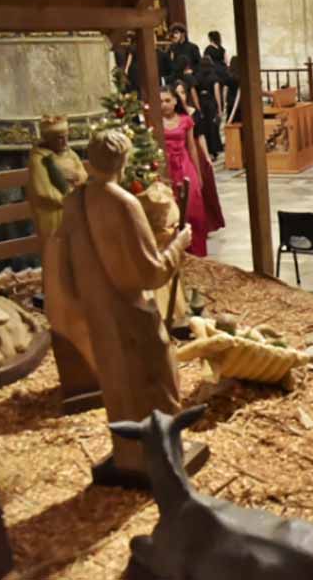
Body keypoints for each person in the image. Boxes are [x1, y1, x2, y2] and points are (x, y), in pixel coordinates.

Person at [44, 129, 191, 478]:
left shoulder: (75, 202)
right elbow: (151, 273)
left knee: (117, 385)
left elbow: (66, 266)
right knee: (157, 381)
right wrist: (179, 243)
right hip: (131, 313)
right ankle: (162, 455)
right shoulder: (124, 204)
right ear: (123, 161)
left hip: (98, 312)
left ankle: (129, 454)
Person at [26, 115, 88, 248]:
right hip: (55, 214)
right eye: (59, 138)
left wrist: (77, 175)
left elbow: (83, 174)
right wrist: (68, 199)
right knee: (59, 249)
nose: (64, 141)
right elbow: (43, 191)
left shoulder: (70, 153)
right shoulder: (39, 159)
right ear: (48, 139)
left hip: (75, 209)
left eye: (66, 136)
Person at [160, 86, 208, 256]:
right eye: (160, 101)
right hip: (166, 167)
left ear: (175, 101)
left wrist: (198, 174)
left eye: (167, 100)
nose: (164, 104)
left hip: (184, 164)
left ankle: (197, 251)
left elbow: (192, 147)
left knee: (193, 208)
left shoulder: (186, 120)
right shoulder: (155, 121)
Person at [174, 81, 225, 234]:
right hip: (179, 151)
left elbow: (200, 135)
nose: (181, 96)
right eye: (178, 93)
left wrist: (207, 155)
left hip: (195, 149)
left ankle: (205, 223)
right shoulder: (174, 116)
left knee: (203, 186)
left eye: (183, 92)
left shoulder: (193, 112)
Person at [192, 57, 225, 159]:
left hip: (201, 102)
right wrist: (219, 108)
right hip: (211, 103)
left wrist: (197, 107)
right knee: (212, 127)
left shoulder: (197, 77)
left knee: (204, 127)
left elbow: (194, 94)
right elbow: (217, 93)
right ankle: (214, 150)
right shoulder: (214, 77)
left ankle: (206, 151)